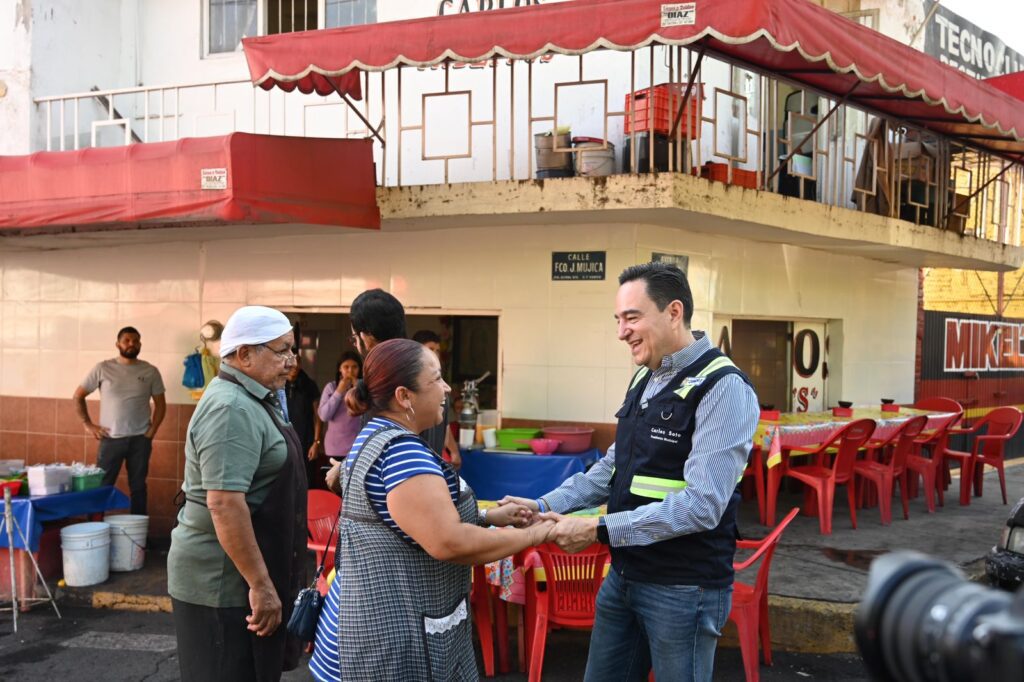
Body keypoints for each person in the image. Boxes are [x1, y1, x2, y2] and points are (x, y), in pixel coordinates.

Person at [498, 262, 760, 682]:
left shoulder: (723, 387)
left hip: (683, 587)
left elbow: (703, 505)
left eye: (632, 318)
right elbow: (610, 469)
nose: (622, 332)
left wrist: (598, 529)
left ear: (674, 312)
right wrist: (542, 505)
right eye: (618, 319)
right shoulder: (644, 378)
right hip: (624, 576)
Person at [309, 338, 551, 681]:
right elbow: (450, 542)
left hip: (363, 628)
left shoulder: (375, 435)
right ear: (404, 396)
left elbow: (407, 521)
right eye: (436, 379)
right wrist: (537, 534)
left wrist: (486, 517)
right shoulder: (402, 453)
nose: (447, 388)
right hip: (389, 642)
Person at [168, 305, 308, 682]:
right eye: (282, 350)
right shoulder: (230, 407)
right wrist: (260, 586)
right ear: (244, 354)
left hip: (241, 577)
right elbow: (224, 504)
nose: (291, 361)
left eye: (292, 350)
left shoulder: (255, 398)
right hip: (221, 583)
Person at [325, 288, 453, 491]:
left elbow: (382, 460)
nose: (446, 388)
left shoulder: (380, 386)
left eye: (354, 338)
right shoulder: (430, 380)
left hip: (395, 501)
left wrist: (343, 472)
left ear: (366, 338)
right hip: (430, 493)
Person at [73, 326, 166, 515]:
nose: (132, 344)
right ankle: (95, 528)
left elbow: (161, 405)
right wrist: (88, 424)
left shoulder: (150, 371)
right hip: (110, 439)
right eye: (127, 341)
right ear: (118, 344)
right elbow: (78, 396)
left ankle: (139, 531)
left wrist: (152, 431)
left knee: (138, 487)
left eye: (136, 341)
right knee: (102, 486)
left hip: (140, 440)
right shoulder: (103, 368)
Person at [413, 328, 462, 469]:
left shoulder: (442, 387)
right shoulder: (411, 386)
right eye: (430, 349)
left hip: (436, 461)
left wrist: (454, 451)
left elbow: (444, 426)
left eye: (438, 350)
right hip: (417, 460)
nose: (435, 354)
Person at [283, 354, 324, 488]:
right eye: (292, 362)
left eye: (298, 362)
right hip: (283, 441)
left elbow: (318, 415)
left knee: (307, 481)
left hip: (306, 441)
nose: (295, 366)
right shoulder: (278, 383)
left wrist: (316, 443)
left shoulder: (309, 384)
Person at [317, 351, 363, 462]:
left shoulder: (364, 387)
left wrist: (358, 390)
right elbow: (324, 416)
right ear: (340, 369)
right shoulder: (331, 387)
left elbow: (367, 411)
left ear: (360, 369)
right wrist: (339, 391)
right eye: (346, 367)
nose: (350, 371)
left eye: (354, 367)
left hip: (358, 446)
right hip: (334, 447)